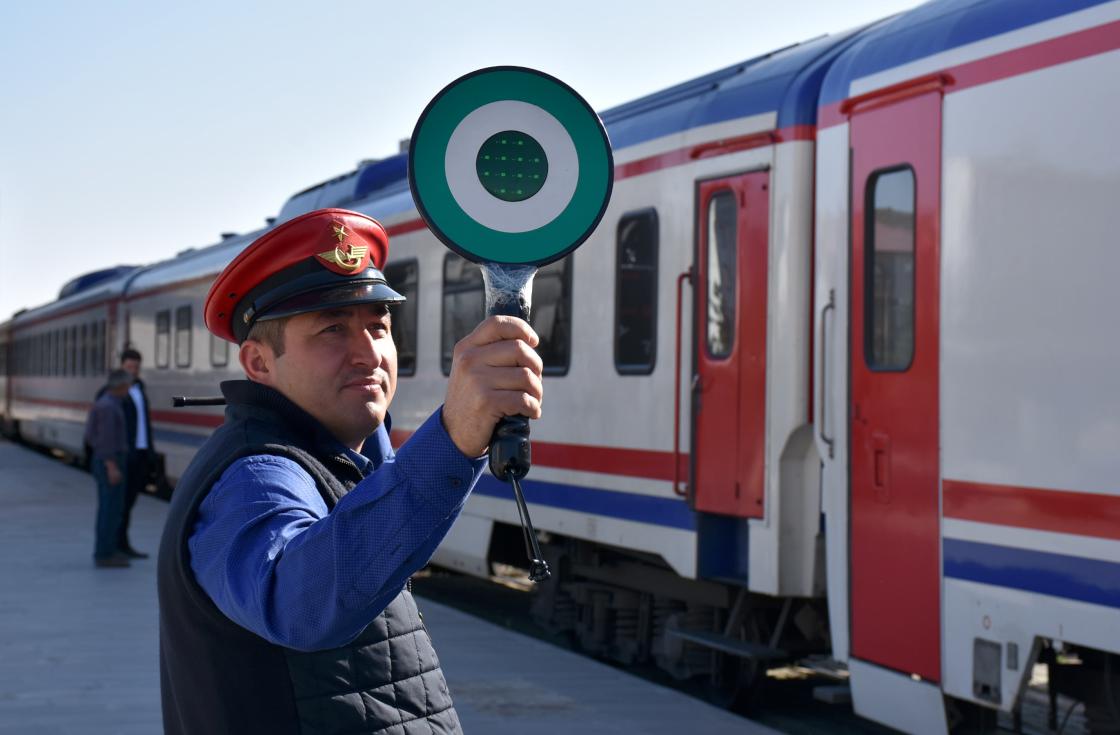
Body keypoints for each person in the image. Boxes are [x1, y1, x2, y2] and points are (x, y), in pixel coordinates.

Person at [157, 208, 543, 734]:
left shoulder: (347, 459)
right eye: (332, 329)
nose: (369, 354)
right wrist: (451, 440)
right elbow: (299, 604)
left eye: (378, 326)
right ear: (258, 364)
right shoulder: (255, 474)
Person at [85, 369, 134, 568]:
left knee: (110, 508)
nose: (130, 389)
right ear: (121, 386)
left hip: (107, 461)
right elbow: (104, 442)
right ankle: (105, 553)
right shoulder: (108, 407)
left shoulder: (107, 403)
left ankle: (107, 550)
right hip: (110, 462)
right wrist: (112, 466)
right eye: (129, 385)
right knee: (110, 510)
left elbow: (90, 436)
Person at [118, 347, 154, 558]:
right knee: (120, 505)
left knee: (129, 503)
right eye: (129, 367)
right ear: (121, 367)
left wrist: (150, 450)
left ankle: (124, 544)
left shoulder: (139, 388)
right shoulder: (112, 392)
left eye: (136, 367)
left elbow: (144, 423)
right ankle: (115, 546)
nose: (133, 371)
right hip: (124, 455)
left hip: (140, 453)